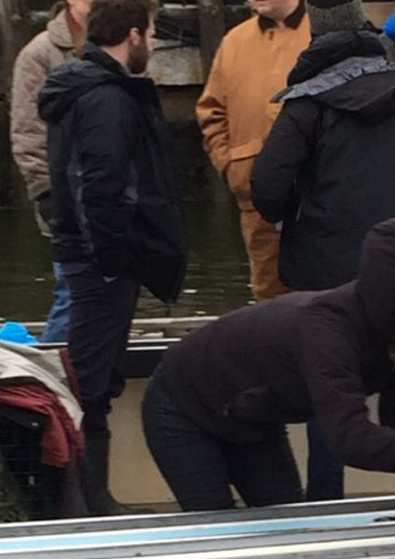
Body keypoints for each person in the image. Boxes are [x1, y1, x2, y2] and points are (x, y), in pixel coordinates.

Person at [141, 216, 395, 512]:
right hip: (183, 409)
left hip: (255, 418)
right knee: (216, 530)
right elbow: (351, 440)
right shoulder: (326, 329)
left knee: (289, 524)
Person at [251, 0, 395, 499]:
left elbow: (265, 190)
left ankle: (326, 500)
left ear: (313, 41)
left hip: (333, 270)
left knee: (330, 387)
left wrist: (304, 204)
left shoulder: (306, 106)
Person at [38, 0, 187, 516]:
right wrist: (112, 258)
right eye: (149, 31)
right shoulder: (108, 99)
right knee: (91, 380)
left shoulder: (79, 90)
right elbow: (99, 184)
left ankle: (90, 497)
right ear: (132, 34)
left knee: (95, 375)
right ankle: (84, 503)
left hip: (88, 256)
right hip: (100, 262)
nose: (151, 41)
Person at [195, 0, 311, 301]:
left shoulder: (320, 33)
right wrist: (232, 165)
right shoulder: (234, 41)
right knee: (269, 299)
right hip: (257, 200)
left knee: (326, 298)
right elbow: (211, 112)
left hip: (319, 195)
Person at [10, 0, 92, 343]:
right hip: (63, 194)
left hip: (109, 191)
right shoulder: (39, 54)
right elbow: (28, 131)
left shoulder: (116, 45)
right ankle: (54, 368)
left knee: (102, 290)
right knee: (73, 290)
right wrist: (45, 190)